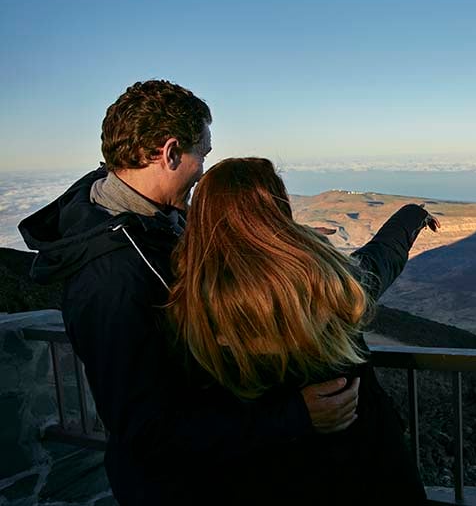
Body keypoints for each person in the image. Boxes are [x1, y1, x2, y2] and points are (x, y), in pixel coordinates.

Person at [18, 81, 360, 504]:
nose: (203, 170)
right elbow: (146, 430)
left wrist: (284, 237)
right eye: (204, 154)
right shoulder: (112, 277)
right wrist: (293, 418)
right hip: (179, 489)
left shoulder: (149, 223)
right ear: (172, 153)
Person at [167, 157, 439, 504]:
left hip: (263, 475)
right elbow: (377, 262)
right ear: (275, 209)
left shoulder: (189, 303)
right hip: (362, 465)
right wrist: (412, 217)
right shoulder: (319, 282)